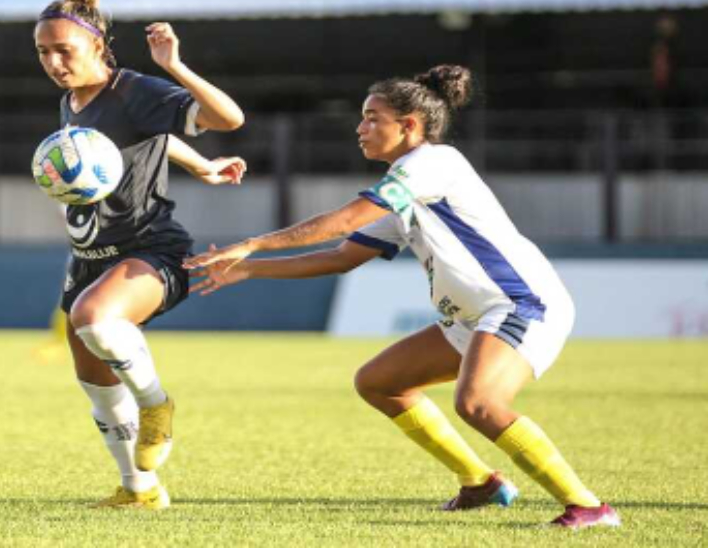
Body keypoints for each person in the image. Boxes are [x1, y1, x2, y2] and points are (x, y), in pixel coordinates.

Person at [187, 64, 620, 530]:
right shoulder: (408, 190)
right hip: (475, 315)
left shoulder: (432, 163)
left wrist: (253, 243)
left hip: (520, 303)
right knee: (379, 382)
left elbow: (344, 220)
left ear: (410, 125)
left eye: (372, 117)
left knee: (477, 402)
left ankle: (589, 507)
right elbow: (341, 256)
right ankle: (481, 484)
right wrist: (249, 268)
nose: (360, 127)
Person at [35, 0, 246, 510]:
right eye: (43, 52)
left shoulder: (135, 88)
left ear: (99, 48)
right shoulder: (72, 101)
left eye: (65, 50)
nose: (55, 62)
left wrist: (173, 66)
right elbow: (153, 136)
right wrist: (201, 165)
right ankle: (140, 489)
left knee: (95, 319)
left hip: (149, 249)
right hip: (89, 256)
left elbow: (228, 118)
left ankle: (156, 404)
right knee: (94, 382)